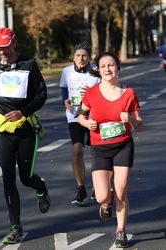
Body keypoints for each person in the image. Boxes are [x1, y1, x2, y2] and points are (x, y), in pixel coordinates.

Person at [0, 27, 50, 244]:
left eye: (5, 46)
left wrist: (23, 112)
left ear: (14, 43)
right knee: (8, 179)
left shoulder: (28, 65)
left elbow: (42, 94)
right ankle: (15, 227)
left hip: (26, 130)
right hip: (3, 131)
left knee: (26, 177)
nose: (2, 51)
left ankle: (41, 188)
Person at [78, 52, 143, 248]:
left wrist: (130, 120)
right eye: (103, 66)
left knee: (121, 192)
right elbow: (81, 116)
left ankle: (121, 231)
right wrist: (86, 123)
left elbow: (139, 124)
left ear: (118, 68)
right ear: (99, 70)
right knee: (102, 196)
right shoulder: (92, 93)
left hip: (123, 145)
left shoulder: (129, 94)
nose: (107, 69)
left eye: (111, 65)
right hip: (100, 148)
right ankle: (107, 204)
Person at [59, 41, 100, 206]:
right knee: (77, 150)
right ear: (73, 57)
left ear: (89, 57)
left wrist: (92, 94)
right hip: (74, 115)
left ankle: (98, 186)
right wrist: (64, 101)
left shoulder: (97, 71)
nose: (81, 58)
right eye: (78, 55)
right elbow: (63, 88)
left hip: (93, 116)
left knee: (96, 151)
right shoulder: (66, 71)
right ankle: (80, 187)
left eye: (84, 56)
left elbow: (105, 89)